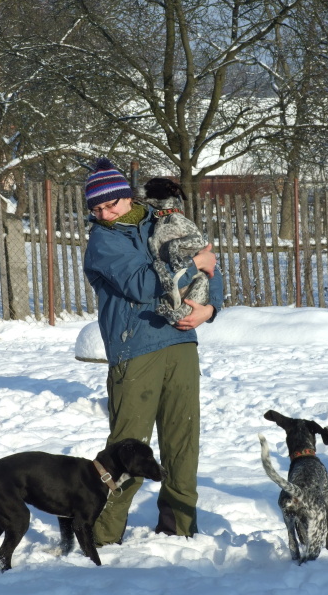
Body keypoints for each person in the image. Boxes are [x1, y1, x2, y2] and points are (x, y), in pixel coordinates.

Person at [83, 157, 223, 546]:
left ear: (128, 197)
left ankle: (180, 528)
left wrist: (210, 309)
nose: (104, 213)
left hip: (181, 344)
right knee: (126, 448)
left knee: (182, 442)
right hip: (135, 349)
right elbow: (141, 284)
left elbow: (210, 266)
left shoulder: (165, 221)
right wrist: (193, 261)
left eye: (110, 204)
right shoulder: (104, 241)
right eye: (96, 208)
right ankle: (103, 533)